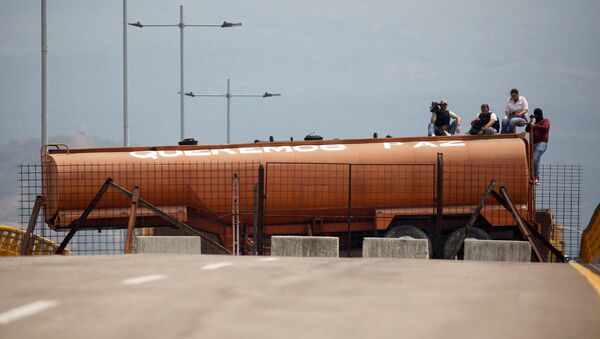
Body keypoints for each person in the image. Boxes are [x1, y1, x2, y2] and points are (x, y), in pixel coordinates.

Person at [525, 108, 550, 185]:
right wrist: (531, 121)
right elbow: (527, 129)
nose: (537, 116)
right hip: (533, 144)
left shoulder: (545, 121)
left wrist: (535, 125)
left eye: (537, 114)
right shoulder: (534, 123)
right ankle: (531, 177)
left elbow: (545, 128)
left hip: (541, 143)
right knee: (530, 160)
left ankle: (536, 178)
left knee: (535, 158)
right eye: (535, 114)